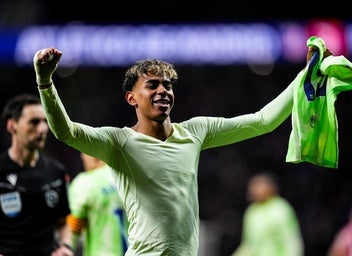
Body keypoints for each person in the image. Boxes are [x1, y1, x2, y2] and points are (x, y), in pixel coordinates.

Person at [32, 42, 329, 256]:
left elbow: (262, 121)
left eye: (168, 85)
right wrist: (45, 82)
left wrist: (304, 76)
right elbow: (65, 131)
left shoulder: (195, 132)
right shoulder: (119, 143)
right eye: (152, 85)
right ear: (131, 98)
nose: (163, 90)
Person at [0, 94, 73, 256]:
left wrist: (65, 247)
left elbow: (63, 222)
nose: (43, 129)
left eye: (45, 121)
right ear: (12, 126)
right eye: (34, 122)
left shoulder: (56, 171)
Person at [67, 152, 129, 256]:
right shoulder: (126, 176)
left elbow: (72, 231)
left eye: (83, 152)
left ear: (92, 153)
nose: (81, 157)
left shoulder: (85, 183)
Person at [231, 172, 304, 256]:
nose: (253, 189)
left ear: (270, 187)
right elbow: (249, 244)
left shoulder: (280, 208)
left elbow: (291, 240)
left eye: (258, 185)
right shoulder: (251, 212)